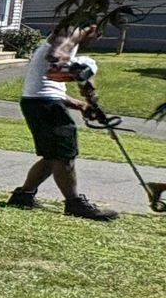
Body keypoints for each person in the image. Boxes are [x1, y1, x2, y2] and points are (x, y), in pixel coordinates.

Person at [7, 23, 118, 219]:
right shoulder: (71, 31)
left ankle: (23, 196)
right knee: (65, 155)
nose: (93, 42)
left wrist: (82, 105)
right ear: (92, 28)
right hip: (44, 104)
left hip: (40, 102)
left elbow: (52, 88)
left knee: (53, 156)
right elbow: (58, 61)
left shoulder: (68, 45)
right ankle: (74, 203)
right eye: (96, 36)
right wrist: (87, 85)